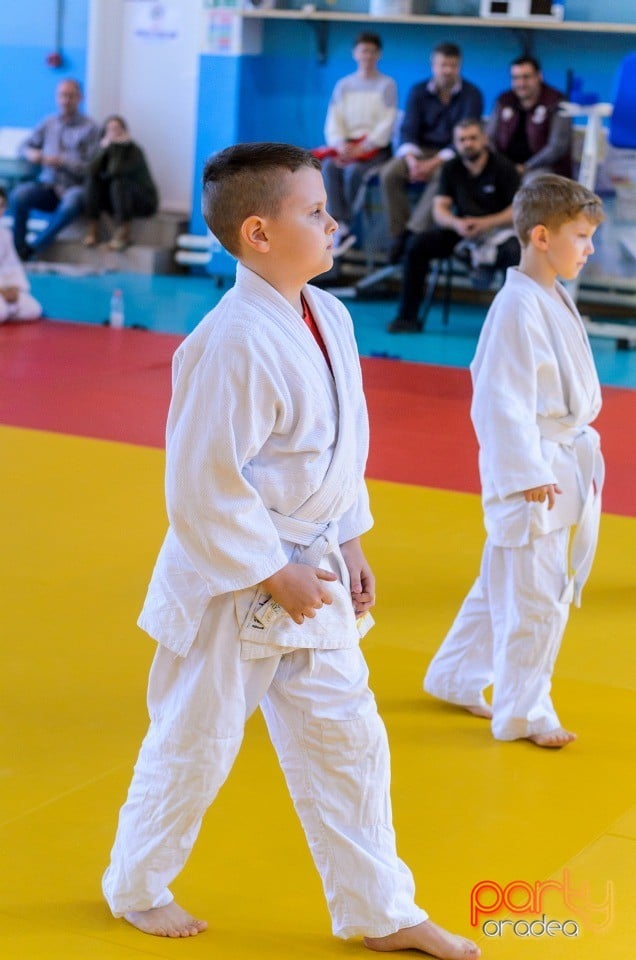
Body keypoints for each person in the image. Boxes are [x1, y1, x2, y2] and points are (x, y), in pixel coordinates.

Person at [101, 142, 480, 960]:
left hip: (316, 566)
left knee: (351, 740)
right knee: (194, 744)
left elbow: (339, 450)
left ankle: (380, 910)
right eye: (314, 210)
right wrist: (274, 568)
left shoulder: (330, 314)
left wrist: (352, 537)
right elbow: (200, 485)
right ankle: (136, 885)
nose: (332, 219)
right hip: (237, 581)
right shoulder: (230, 340)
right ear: (259, 233)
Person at [423, 174, 605, 748]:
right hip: (534, 474)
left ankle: (455, 676)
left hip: (554, 461)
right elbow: (499, 398)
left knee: (500, 581)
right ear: (543, 236)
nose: (590, 248)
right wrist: (526, 473)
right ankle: (525, 712)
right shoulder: (516, 307)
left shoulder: (550, 294)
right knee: (535, 596)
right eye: (582, 236)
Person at [387, 119, 520, 334]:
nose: (468, 143)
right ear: (455, 143)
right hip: (462, 230)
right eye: (462, 139)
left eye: (473, 138)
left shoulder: (504, 168)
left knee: (516, 254)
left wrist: (485, 223)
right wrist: (456, 223)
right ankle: (407, 317)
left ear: (484, 139)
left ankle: (510, 328)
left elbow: (516, 212)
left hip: (498, 230)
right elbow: (440, 209)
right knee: (417, 245)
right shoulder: (451, 168)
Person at [380, 43, 484, 263]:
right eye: (443, 64)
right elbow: (408, 128)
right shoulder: (418, 91)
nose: (447, 70)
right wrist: (411, 160)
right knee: (389, 173)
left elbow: (467, 138)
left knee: (443, 176)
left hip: (453, 156)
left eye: (453, 65)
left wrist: (434, 163)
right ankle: (399, 234)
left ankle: (413, 234)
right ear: (433, 65)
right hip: (418, 152)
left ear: (459, 66)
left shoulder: (472, 94)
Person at [317, 32, 397, 257]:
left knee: (354, 172)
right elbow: (335, 120)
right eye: (363, 51)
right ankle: (339, 226)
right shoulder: (344, 85)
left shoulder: (387, 85)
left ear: (378, 55)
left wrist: (366, 146)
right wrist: (340, 144)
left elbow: (387, 123)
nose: (367, 56)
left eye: (372, 51)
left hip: (376, 149)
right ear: (355, 54)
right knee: (329, 168)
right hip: (347, 146)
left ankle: (347, 225)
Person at [8, 78, 99, 260]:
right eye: (63, 95)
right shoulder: (49, 123)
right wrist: (32, 153)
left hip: (74, 187)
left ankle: (34, 248)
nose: (66, 100)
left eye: (71, 96)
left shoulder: (90, 128)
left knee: (72, 203)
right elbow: (23, 146)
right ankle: (19, 249)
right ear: (57, 98)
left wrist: (63, 162)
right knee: (19, 195)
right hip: (47, 186)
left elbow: (92, 167)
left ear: (80, 98)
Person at [486, 56, 571, 180]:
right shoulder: (504, 100)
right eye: (516, 78)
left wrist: (526, 167)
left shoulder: (556, 101)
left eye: (526, 77)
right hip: (504, 166)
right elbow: (489, 138)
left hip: (542, 168)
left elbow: (557, 147)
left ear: (539, 76)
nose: (521, 83)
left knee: (533, 184)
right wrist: (503, 165)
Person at [83, 115, 159, 251]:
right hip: (117, 200)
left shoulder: (134, 151)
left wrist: (117, 147)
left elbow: (115, 170)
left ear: (124, 131)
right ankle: (93, 229)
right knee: (93, 181)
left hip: (142, 201)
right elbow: (90, 171)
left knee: (119, 182)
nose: (113, 132)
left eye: (117, 129)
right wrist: (104, 150)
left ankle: (124, 232)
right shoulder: (102, 148)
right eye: (109, 129)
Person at [0, 187, 43, 323]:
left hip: (3, 289)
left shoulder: (5, 234)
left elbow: (12, 266)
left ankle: (8, 309)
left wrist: (14, 288)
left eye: (1, 206)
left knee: (33, 309)